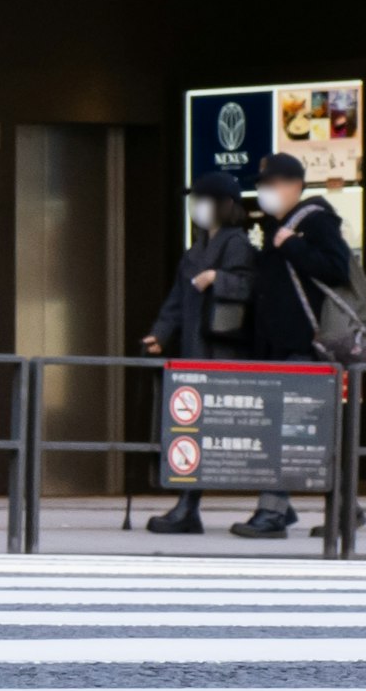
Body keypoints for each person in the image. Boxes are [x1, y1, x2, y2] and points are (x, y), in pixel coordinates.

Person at [232, 150, 352, 542]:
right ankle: (347, 508)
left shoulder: (316, 220)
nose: (262, 192)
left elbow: (337, 268)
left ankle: (271, 511)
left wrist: (292, 245)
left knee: (287, 433)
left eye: (268, 185)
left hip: (305, 345)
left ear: (292, 186)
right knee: (297, 434)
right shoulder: (275, 224)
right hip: (279, 346)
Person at [137, 184, 261, 535]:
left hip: (222, 351)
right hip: (198, 349)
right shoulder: (197, 247)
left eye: (203, 201)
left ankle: (272, 504)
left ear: (223, 204)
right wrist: (159, 333)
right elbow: (178, 297)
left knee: (221, 429)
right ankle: (188, 505)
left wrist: (218, 279)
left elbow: (251, 286)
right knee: (195, 429)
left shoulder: (236, 243)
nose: (197, 207)